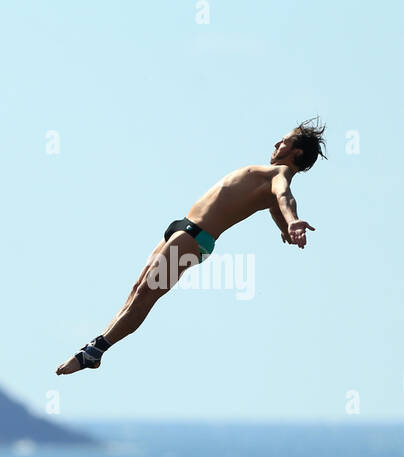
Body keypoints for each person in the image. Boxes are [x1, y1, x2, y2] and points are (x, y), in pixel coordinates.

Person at [57, 118, 327, 375]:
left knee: (145, 295)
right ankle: (96, 350)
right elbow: (275, 206)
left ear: (295, 152)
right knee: (138, 290)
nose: (276, 143)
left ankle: (93, 352)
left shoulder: (280, 174)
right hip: (181, 228)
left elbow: (284, 198)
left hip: (195, 237)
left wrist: (292, 221)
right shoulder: (267, 180)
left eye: (284, 141)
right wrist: (284, 227)